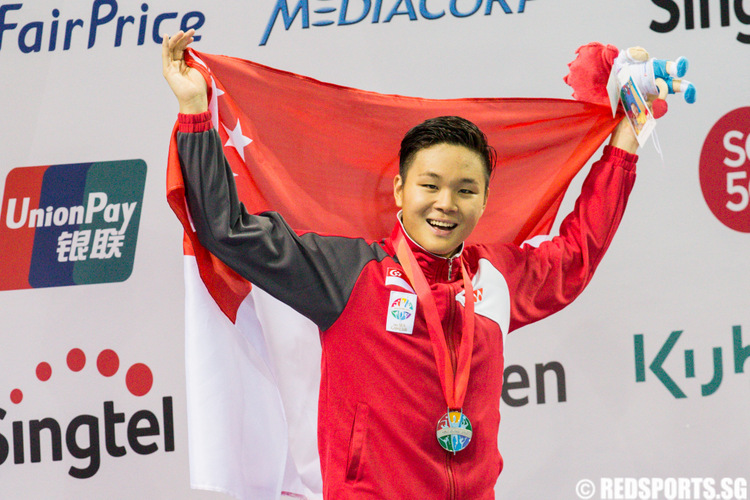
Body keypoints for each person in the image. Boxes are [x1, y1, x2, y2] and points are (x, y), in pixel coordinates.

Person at [162, 30, 639, 499]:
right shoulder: (348, 275)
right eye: (429, 185)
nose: (445, 203)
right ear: (399, 191)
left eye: (465, 190)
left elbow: (578, 253)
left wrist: (625, 142)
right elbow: (229, 232)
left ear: (485, 198)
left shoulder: (497, 277)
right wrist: (194, 113)